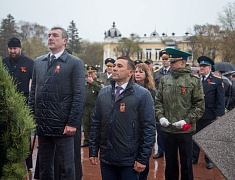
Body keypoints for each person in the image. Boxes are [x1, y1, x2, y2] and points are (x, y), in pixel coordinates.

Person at [28, 26, 86, 179]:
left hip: (63, 126)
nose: (50, 38)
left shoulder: (75, 63)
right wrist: (31, 118)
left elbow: (79, 95)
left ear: (65, 40)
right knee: (45, 168)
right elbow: (33, 91)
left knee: (67, 169)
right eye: (49, 35)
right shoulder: (39, 62)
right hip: (43, 124)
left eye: (55, 35)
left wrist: (72, 123)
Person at [89, 56, 156, 180]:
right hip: (107, 159)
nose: (114, 69)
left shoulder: (142, 95)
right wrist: (93, 150)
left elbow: (148, 128)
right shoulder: (103, 93)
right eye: (114, 66)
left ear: (131, 72)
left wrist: (142, 158)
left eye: (120, 66)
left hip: (129, 161)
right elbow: (96, 123)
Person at [155, 48, 205, 180]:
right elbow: (158, 101)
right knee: (170, 163)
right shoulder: (165, 80)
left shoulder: (194, 81)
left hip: (185, 130)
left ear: (183, 62)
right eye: (170, 61)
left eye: (174, 61)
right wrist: (161, 117)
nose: (170, 64)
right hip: (168, 129)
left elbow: (199, 106)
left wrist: (187, 120)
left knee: (186, 163)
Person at [2, 37, 34, 171]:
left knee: (23, 134)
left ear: (20, 48)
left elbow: (34, 83)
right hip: (5, 104)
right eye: (10, 49)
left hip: (23, 103)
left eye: (15, 48)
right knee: (6, 133)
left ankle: (26, 164)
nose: (12, 51)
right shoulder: (3, 62)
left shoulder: (29, 63)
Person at [192, 56, 225, 169]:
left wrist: (219, 114)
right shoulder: (195, 80)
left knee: (207, 138)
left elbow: (220, 100)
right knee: (194, 137)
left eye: (204, 66)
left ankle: (209, 160)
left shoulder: (217, 81)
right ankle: (194, 157)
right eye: (200, 66)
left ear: (209, 68)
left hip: (209, 114)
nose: (201, 68)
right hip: (196, 114)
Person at [134, 63, 156, 180]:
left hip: (145, 128)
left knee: (143, 161)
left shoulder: (151, 91)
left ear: (146, 74)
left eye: (141, 72)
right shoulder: (129, 88)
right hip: (132, 129)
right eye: (136, 71)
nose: (138, 74)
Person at [152, 49, 171, 159]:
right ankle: (160, 150)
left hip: (170, 104)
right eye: (163, 59)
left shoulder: (173, 72)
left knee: (169, 129)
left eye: (166, 59)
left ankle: (169, 151)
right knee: (159, 128)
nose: (164, 61)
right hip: (159, 104)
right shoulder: (157, 73)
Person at [81, 66, 102, 147]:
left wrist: (93, 82)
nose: (89, 75)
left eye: (91, 73)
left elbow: (101, 90)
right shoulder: (86, 84)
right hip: (86, 107)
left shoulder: (98, 82)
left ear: (95, 73)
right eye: (88, 73)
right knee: (86, 124)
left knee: (94, 125)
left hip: (94, 107)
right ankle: (86, 140)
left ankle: (95, 141)